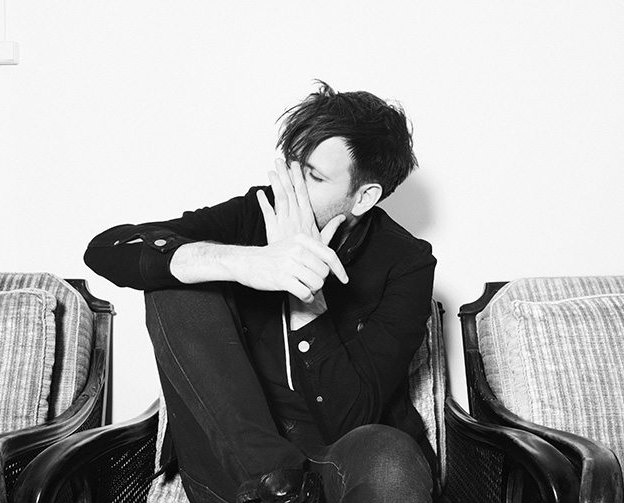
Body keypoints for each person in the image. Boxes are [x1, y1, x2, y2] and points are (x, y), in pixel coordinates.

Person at [84, 81, 436, 503]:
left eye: (313, 176)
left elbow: (349, 418)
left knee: (391, 456)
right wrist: (246, 262)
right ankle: (276, 483)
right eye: (292, 166)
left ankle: (284, 487)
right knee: (180, 273)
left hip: (337, 460)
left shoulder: (406, 264)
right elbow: (106, 248)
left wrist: (305, 296)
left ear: (363, 197)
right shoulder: (256, 213)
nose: (291, 186)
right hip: (234, 467)